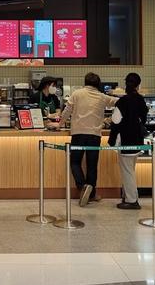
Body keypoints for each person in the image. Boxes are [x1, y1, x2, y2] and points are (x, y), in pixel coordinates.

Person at [61, 72, 118, 207]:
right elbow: (119, 102)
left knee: (75, 162)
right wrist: (120, 94)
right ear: (98, 84)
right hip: (94, 135)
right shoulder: (102, 96)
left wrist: (60, 123)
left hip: (78, 133)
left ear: (85, 82)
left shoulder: (76, 94)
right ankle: (91, 195)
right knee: (92, 165)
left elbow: (67, 110)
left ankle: (82, 187)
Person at [109, 72, 148, 210]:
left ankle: (132, 200)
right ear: (138, 85)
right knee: (130, 169)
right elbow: (144, 119)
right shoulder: (141, 100)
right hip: (137, 140)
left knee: (127, 172)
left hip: (125, 140)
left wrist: (111, 139)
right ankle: (128, 196)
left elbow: (116, 121)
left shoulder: (123, 101)